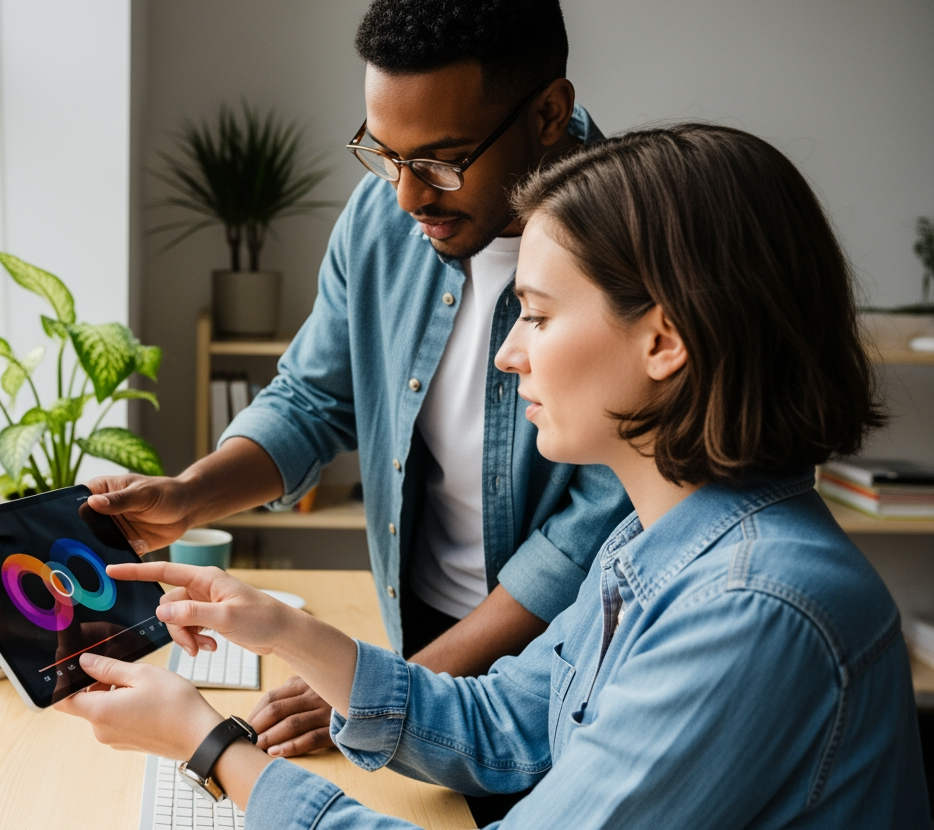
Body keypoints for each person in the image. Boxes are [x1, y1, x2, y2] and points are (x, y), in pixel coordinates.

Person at [59, 124, 932, 828]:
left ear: (665, 340)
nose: (510, 357)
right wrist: (280, 630)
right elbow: (503, 726)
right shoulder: (656, 539)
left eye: (540, 318)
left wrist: (210, 748)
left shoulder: (752, 610)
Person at [86, 0, 629, 768]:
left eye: (442, 160)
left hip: (557, 669)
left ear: (549, 114)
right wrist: (191, 496)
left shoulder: (639, 246)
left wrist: (386, 691)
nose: (408, 195)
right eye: (383, 154)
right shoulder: (386, 211)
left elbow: (584, 538)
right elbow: (314, 397)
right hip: (415, 630)